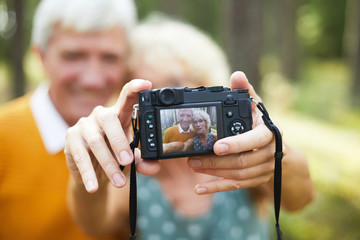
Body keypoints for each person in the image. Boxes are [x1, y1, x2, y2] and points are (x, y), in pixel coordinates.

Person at [65, 16, 315, 239]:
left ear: (208, 83)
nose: (166, 105)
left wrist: (278, 155)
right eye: (150, 95)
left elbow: (299, 199)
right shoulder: (137, 172)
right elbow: (94, 224)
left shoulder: (245, 156)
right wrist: (89, 170)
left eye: (175, 86)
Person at [0, 0, 136, 239]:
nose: (93, 79)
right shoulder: (5, 135)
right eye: (74, 56)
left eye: (110, 58)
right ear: (41, 57)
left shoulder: (138, 136)